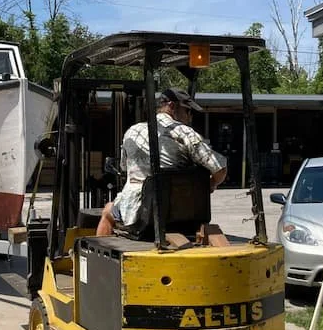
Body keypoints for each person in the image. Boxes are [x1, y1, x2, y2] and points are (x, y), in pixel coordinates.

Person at [96, 87, 227, 236]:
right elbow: (220, 169)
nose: (190, 117)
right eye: (187, 111)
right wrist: (210, 184)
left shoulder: (132, 132)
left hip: (137, 213)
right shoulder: (186, 133)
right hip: (180, 211)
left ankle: (101, 248)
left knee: (108, 211)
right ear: (172, 106)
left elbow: (124, 167)